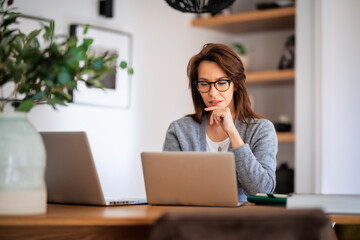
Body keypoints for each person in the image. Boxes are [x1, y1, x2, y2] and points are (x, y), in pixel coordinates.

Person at [163, 43, 278, 201]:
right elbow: (166, 190)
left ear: (236, 84)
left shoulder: (261, 129)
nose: (212, 93)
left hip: (241, 222)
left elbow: (262, 191)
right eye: (204, 84)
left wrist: (233, 133)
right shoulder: (179, 130)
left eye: (222, 83)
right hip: (191, 220)